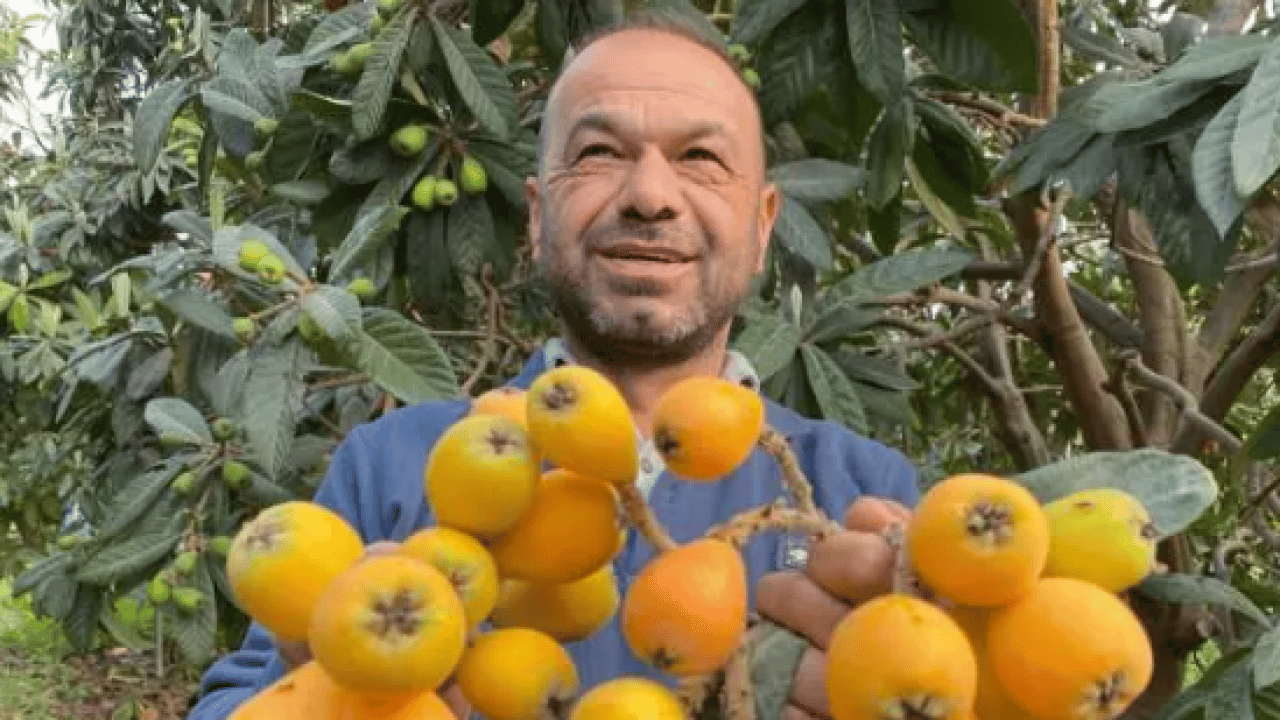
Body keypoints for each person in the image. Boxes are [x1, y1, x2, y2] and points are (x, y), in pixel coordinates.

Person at [188, 10, 921, 720]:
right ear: (537, 217)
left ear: (764, 228)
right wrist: (332, 698)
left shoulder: (857, 490)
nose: (650, 196)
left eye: (701, 158)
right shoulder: (391, 464)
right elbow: (237, 700)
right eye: (600, 153)